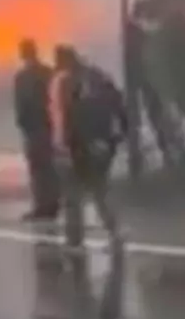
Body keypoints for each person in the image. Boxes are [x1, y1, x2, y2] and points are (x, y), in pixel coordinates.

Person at [49, 45, 129, 249]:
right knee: (100, 190)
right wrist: (119, 133)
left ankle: (74, 241)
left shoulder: (64, 81)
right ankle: (115, 232)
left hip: (77, 145)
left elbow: (67, 116)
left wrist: (65, 146)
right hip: (102, 143)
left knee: (72, 196)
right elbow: (118, 102)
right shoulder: (98, 76)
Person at [14, 39, 59, 222]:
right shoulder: (49, 72)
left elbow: (20, 105)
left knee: (37, 169)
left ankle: (41, 206)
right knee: (49, 167)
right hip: (50, 126)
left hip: (34, 128)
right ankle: (53, 204)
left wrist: (23, 124)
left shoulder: (22, 77)